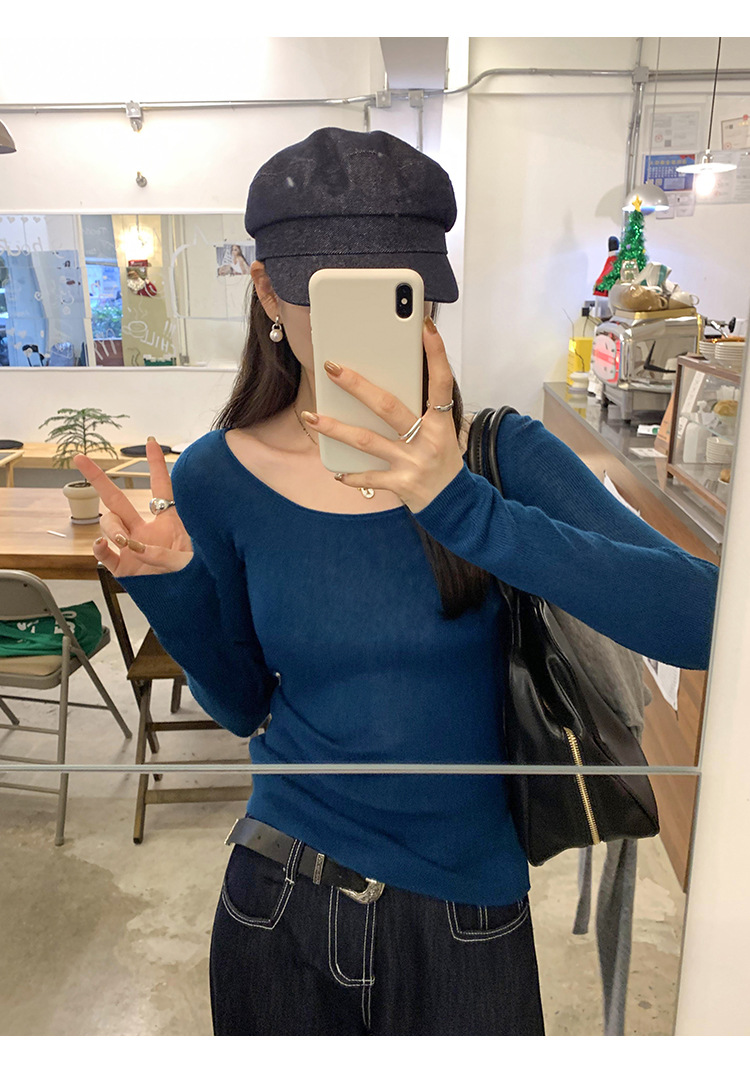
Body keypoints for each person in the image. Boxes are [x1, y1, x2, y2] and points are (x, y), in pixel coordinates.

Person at [74, 127, 719, 1036]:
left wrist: (464, 508)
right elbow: (244, 706)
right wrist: (174, 583)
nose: (372, 330)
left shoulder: (501, 459)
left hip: (468, 913)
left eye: (399, 295)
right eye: (334, 295)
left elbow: (708, 622)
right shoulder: (217, 476)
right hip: (278, 901)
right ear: (267, 290)